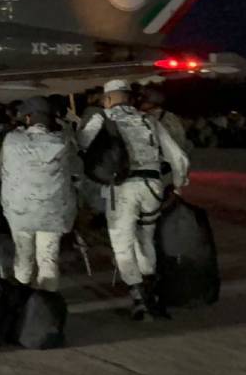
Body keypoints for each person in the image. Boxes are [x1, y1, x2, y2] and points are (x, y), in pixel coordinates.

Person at [79, 79, 189, 321]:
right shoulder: (148, 120)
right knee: (146, 238)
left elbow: (84, 146)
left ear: (108, 99)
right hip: (152, 186)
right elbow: (177, 157)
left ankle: (140, 299)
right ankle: (151, 288)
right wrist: (179, 185)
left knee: (123, 244)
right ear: (129, 98)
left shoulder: (102, 120)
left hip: (122, 190)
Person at [0, 97, 77, 291]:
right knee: (48, 261)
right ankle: (46, 305)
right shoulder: (62, 141)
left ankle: (22, 298)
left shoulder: (12, 140)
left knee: (23, 256)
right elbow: (76, 171)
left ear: (27, 118)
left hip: (20, 213)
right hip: (53, 214)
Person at [139, 87, 191, 158]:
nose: (139, 102)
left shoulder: (163, 119)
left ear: (152, 103)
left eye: (144, 100)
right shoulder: (165, 116)